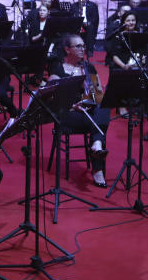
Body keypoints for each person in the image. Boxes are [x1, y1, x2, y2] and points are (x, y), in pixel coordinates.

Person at [47, 34, 110, 188]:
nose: (83, 49)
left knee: (103, 107)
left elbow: (99, 94)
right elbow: (51, 100)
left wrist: (90, 90)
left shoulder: (89, 68)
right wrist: (72, 105)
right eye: (78, 46)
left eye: (83, 46)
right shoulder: (58, 70)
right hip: (68, 114)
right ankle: (97, 166)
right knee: (99, 124)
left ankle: (96, 145)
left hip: (89, 112)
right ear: (67, 49)